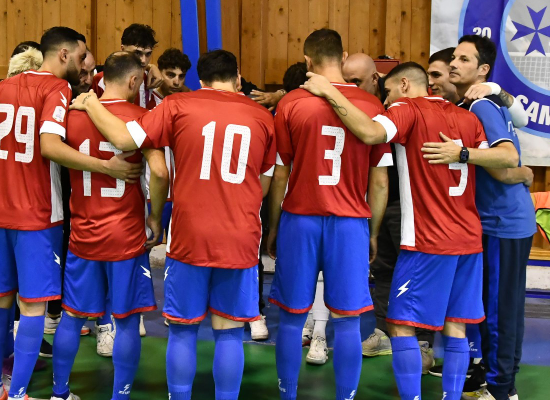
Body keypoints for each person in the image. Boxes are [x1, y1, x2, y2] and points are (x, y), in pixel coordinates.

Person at [301, 61, 518, 400]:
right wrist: (464, 154)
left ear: (404, 85)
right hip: (468, 239)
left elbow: (370, 133)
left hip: (428, 241)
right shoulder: (466, 117)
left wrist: (329, 92)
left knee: (400, 325)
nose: (386, 101)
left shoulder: (407, 109)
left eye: (387, 93)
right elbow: (509, 158)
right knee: (456, 324)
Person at [70, 49, 276, 400]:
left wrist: (91, 103)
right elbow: (265, 182)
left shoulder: (178, 105)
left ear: (201, 79)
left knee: (182, 329)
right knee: (229, 331)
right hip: (240, 235)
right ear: (237, 78)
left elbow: (123, 140)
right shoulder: (262, 117)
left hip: (189, 232)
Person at [0, 26, 140, 400]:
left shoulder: (4, 86)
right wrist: (105, 166)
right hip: (37, 214)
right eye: (80, 57)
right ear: (63, 54)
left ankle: (3, 385)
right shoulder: (57, 88)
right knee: (34, 307)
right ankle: (19, 394)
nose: (84, 66)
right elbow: (49, 146)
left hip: (3, 209)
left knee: (3, 299)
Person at [266, 29, 389, 400]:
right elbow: (379, 182)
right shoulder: (371, 105)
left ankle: (288, 394)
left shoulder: (291, 103)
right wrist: (372, 232)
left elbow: (281, 173)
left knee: (291, 319)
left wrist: (274, 226)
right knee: (348, 322)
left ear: (308, 61)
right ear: (344, 56)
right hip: (349, 224)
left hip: (300, 220)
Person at [49, 51, 168, 400]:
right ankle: (121, 395)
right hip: (126, 237)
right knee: (126, 320)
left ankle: (59, 393)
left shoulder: (73, 115)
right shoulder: (142, 117)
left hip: (83, 234)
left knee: (71, 317)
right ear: (133, 81)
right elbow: (160, 172)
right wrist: (155, 216)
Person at [424, 35, 536, 400]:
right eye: (453, 58)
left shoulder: (483, 105)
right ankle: (492, 378)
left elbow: (507, 158)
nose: (454, 64)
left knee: (501, 312)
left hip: (504, 223)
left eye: (463, 59)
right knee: (492, 308)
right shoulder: (472, 105)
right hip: (490, 222)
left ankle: (502, 389)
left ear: (483, 70)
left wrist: (461, 154)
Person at [343, 53, 436, 372]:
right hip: (377, 202)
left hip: (412, 205)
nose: (351, 86)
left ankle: (422, 340)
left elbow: (372, 135)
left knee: (416, 274)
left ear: (376, 79)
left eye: (357, 81)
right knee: (382, 270)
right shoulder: (367, 108)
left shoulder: (407, 109)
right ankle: (383, 331)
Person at [44, 48, 97, 339]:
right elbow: (50, 147)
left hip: (85, 195)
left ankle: (88, 313)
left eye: (91, 72)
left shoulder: (95, 101)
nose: (87, 78)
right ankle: (55, 311)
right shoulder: (55, 94)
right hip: (52, 190)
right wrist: (105, 166)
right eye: (82, 70)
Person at [92, 23, 163, 108]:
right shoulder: (99, 80)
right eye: (137, 53)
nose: (143, 61)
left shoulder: (152, 79)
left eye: (148, 54)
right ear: (123, 49)